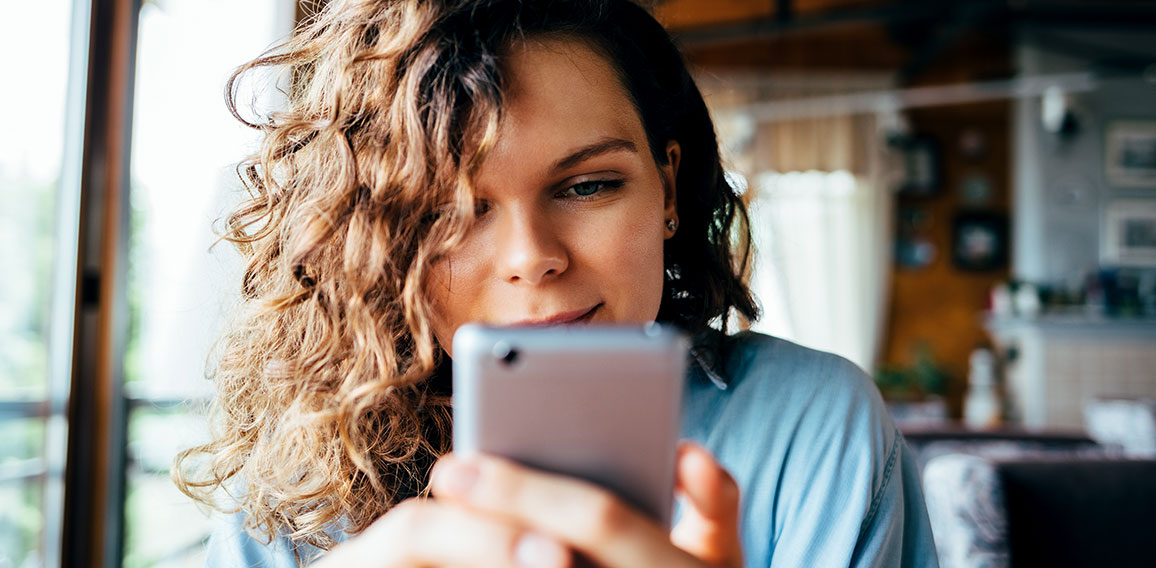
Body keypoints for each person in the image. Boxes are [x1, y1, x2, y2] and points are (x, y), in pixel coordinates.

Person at [174, 1, 939, 566]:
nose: (530, 257)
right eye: (449, 210)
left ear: (667, 192)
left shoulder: (814, 426)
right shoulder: (300, 468)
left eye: (587, 186)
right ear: (377, 241)